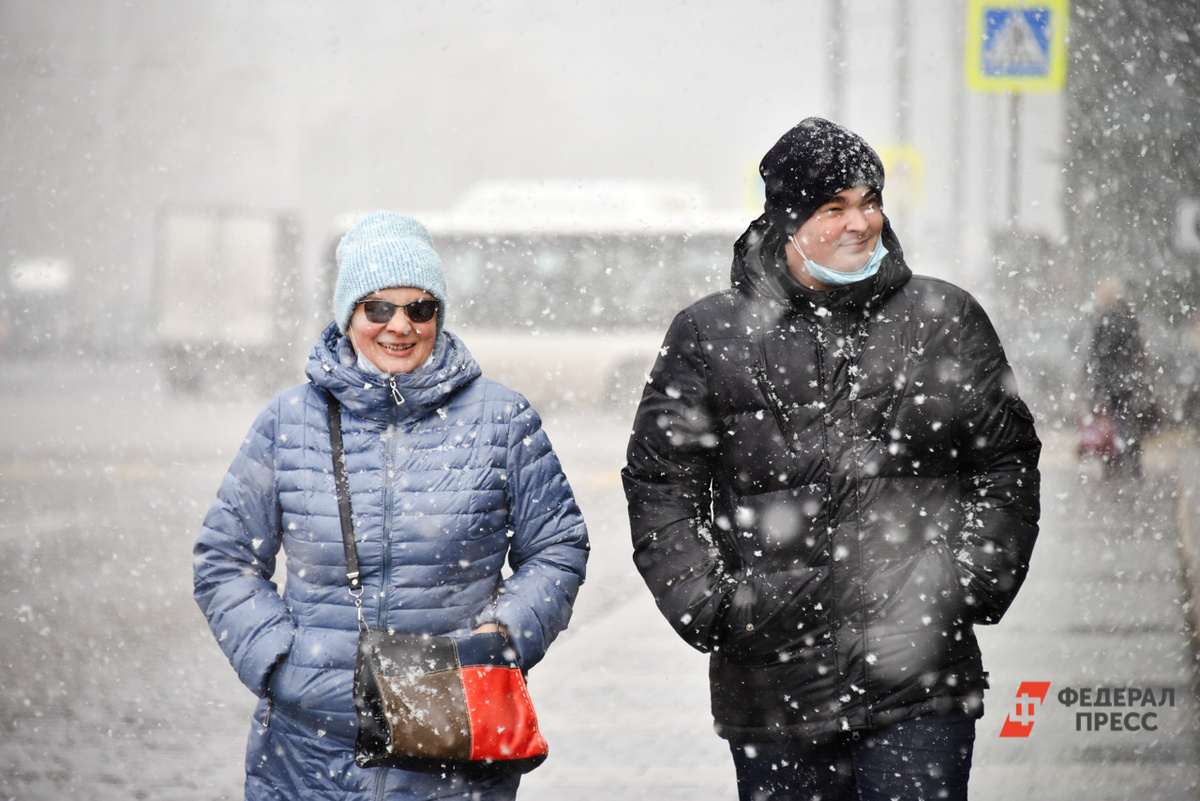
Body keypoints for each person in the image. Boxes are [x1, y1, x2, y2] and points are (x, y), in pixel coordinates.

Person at [622, 118, 1041, 800]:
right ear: (786, 222)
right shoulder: (708, 333)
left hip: (920, 683)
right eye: (834, 207)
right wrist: (714, 605)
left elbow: (1005, 463)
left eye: (869, 201)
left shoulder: (945, 317)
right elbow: (660, 484)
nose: (860, 223)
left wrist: (965, 579)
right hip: (772, 688)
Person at [193, 211, 589, 801]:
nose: (398, 326)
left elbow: (558, 548)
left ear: (439, 314)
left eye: (419, 308)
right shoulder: (287, 422)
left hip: (452, 739)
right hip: (308, 750)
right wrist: (279, 659)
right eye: (377, 307)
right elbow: (224, 560)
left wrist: (503, 637)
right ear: (348, 314)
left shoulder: (502, 419)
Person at [1085, 276, 1154, 477]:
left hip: (1116, 379)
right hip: (1126, 378)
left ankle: (1127, 459)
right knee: (1124, 418)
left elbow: (1104, 352)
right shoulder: (1127, 315)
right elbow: (1135, 349)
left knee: (1119, 420)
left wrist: (1098, 377)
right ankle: (1130, 458)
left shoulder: (1111, 318)